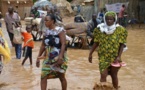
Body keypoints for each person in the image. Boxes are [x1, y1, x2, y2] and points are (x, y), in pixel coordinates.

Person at [88, 11, 128, 89]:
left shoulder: (120, 30)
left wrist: (119, 56)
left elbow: (122, 44)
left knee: (114, 75)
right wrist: (90, 53)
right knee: (103, 76)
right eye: (107, 19)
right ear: (104, 19)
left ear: (114, 20)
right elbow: (96, 42)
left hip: (115, 57)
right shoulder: (100, 29)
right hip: (103, 57)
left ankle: (115, 89)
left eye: (111, 19)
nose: (109, 21)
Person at [36, 14, 68, 90]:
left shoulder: (60, 30)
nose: (45, 22)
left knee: (61, 76)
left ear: (52, 21)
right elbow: (43, 45)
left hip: (58, 57)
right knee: (43, 76)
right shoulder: (46, 32)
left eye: (47, 20)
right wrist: (38, 57)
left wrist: (60, 57)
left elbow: (63, 43)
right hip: (47, 58)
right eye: (45, 20)